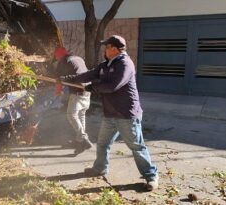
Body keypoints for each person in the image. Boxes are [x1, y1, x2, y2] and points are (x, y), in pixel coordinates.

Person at [60, 35, 159, 191]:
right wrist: (69, 78)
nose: (105, 49)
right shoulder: (106, 65)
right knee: (103, 143)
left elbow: (113, 86)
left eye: (107, 47)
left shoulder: (125, 64)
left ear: (114, 49)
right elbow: (89, 74)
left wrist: (93, 87)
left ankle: (151, 176)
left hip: (126, 114)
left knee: (137, 147)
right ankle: (100, 168)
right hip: (110, 113)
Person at [53, 47, 93, 155]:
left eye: (56, 56)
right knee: (81, 115)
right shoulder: (78, 58)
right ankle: (80, 143)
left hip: (77, 92)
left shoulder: (63, 62)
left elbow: (58, 79)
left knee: (71, 115)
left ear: (58, 56)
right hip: (87, 90)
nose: (56, 58)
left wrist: (58, 91)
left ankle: (84, 138)